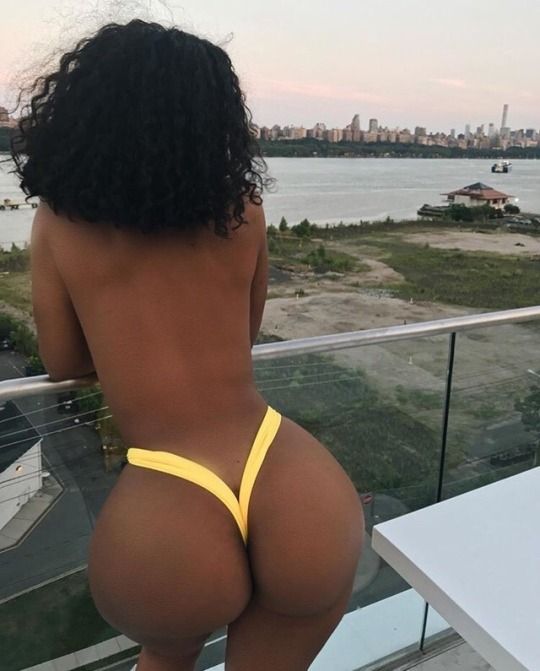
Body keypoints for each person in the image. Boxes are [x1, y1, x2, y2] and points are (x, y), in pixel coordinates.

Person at [14, 20, 364, 671]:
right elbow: (243, 335)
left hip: (170, 495)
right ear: (215, 122)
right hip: (290, 474)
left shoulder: (60, 222)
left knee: (166, 657)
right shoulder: (245, 209)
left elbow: (64, 361)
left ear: (86, 114)